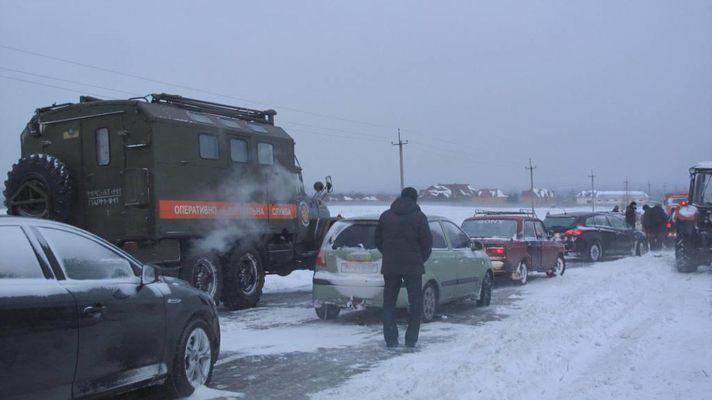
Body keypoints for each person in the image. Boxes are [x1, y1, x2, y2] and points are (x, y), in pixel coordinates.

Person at [374, 187, 433, 348]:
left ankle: (391, 339)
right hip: (413, 266)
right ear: (415, 199)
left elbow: (377, 240)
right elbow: (427, 243)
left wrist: (388, 254)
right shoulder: (420, 217)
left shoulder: (386, 216)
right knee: (415, 303)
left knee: (389, 303)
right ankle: (411, 339)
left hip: (390, 266)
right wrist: (420, 258)